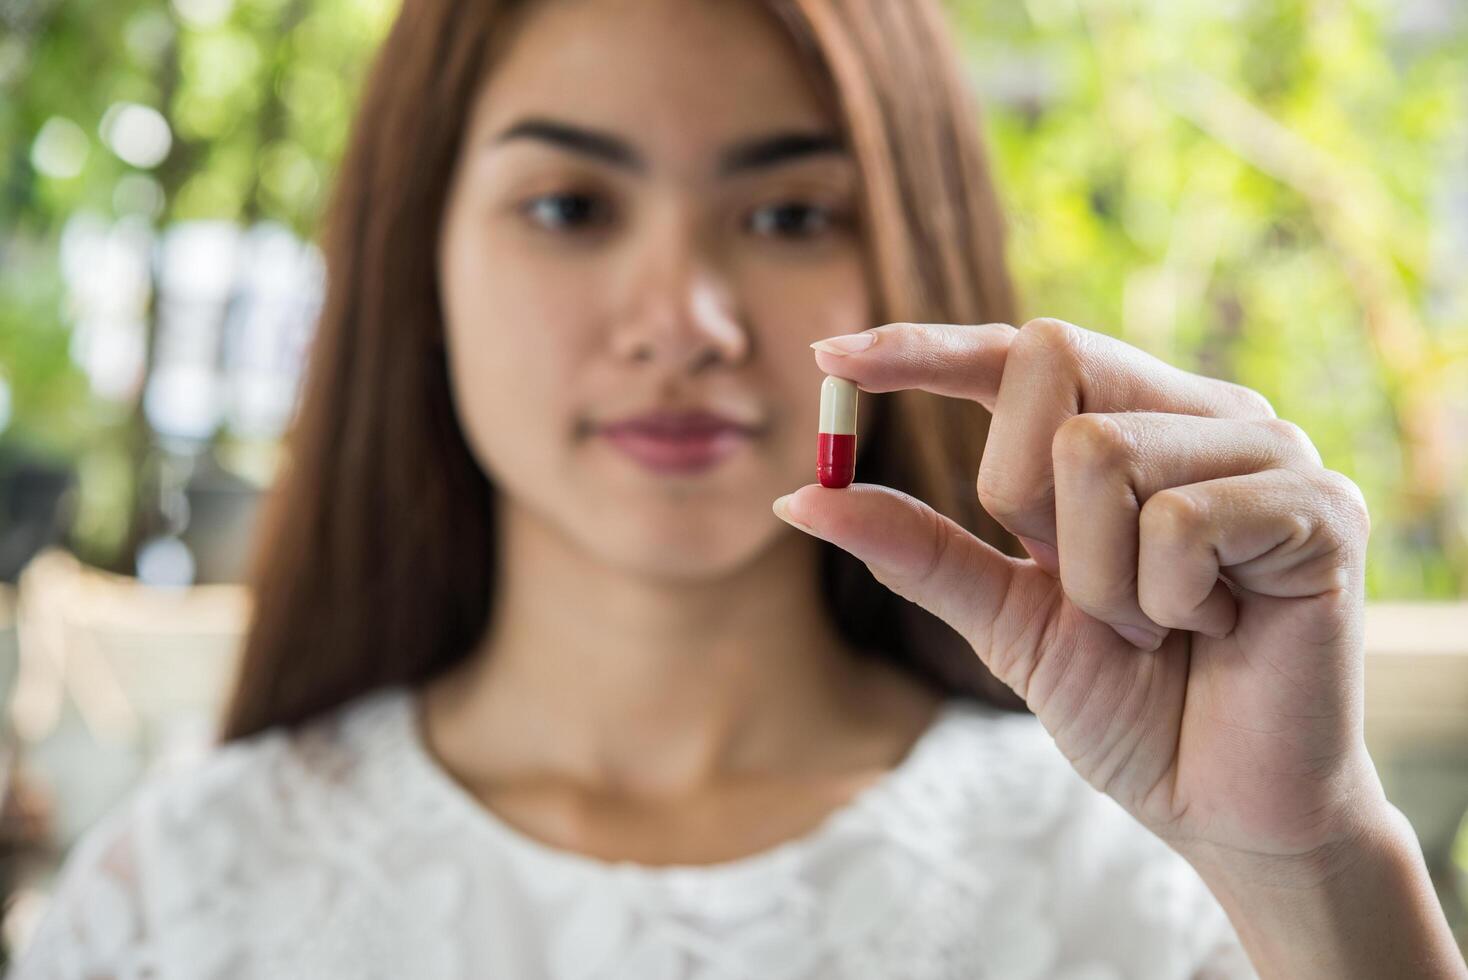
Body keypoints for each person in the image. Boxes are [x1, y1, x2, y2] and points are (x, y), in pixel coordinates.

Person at [12, 0, 1466, 977]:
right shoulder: (184, 896)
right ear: (419, 267)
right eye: (570, 207)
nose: (687, 320)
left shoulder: (1158, 882)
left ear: (909, 252)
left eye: (787, 213)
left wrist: (1311, 858)